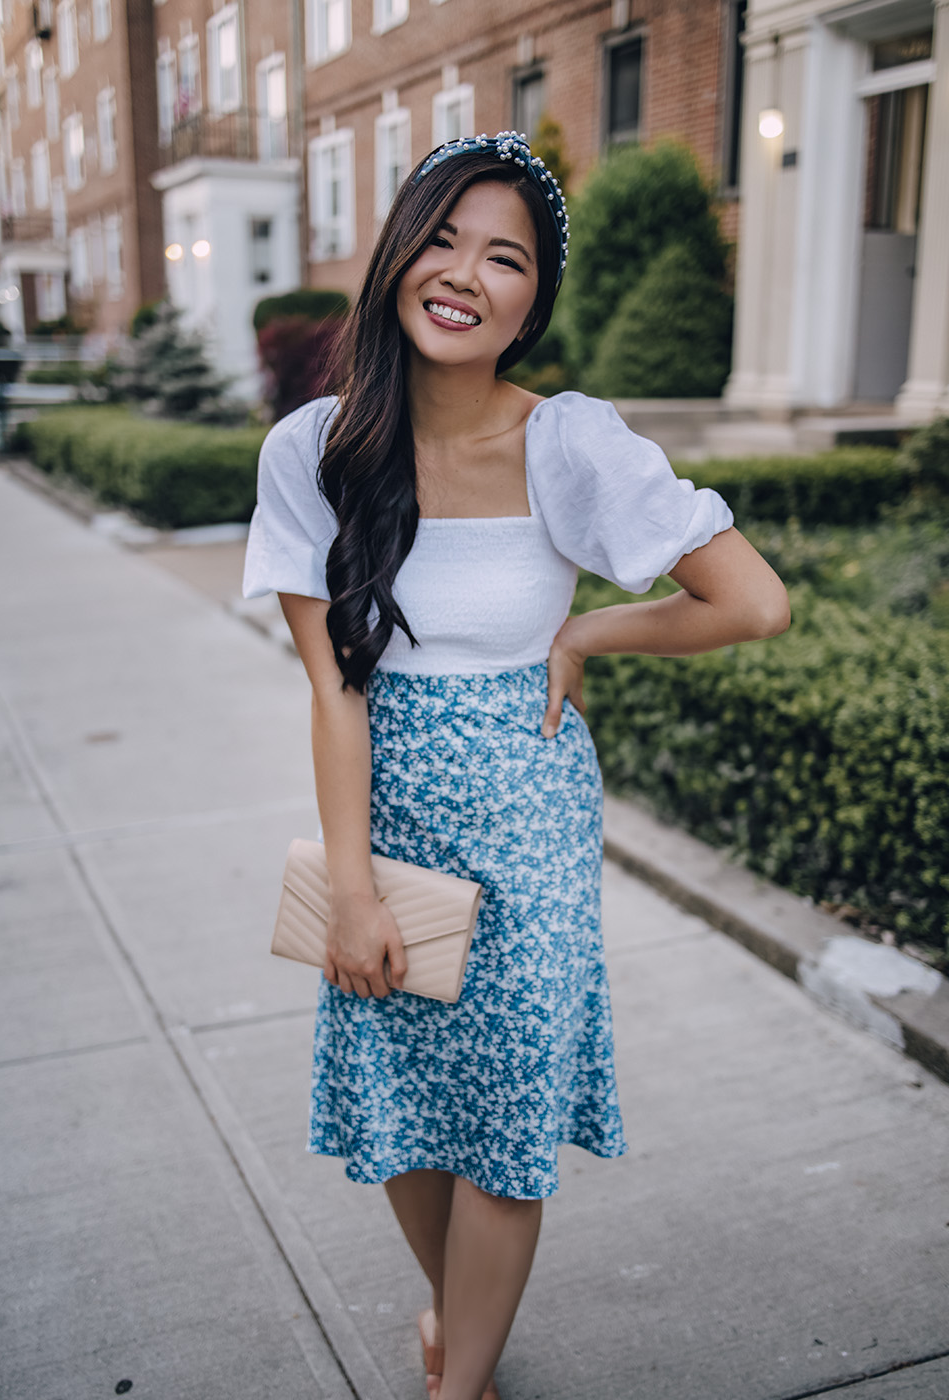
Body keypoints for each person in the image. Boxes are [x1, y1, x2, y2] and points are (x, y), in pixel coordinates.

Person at [242, 132, 790, 1400]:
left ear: (532, 300)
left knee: (503, 1125)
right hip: (385, 811)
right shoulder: (314, 449)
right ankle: (460, 1326)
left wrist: (591, 622)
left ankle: (459, 1383)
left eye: (505, 258)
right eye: (441, 238)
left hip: (532, 821)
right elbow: (332, 688)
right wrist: (356, 887)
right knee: (399, 1112)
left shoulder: (569, 444)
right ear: (395, 256)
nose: (464, 275)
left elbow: (751, 601)